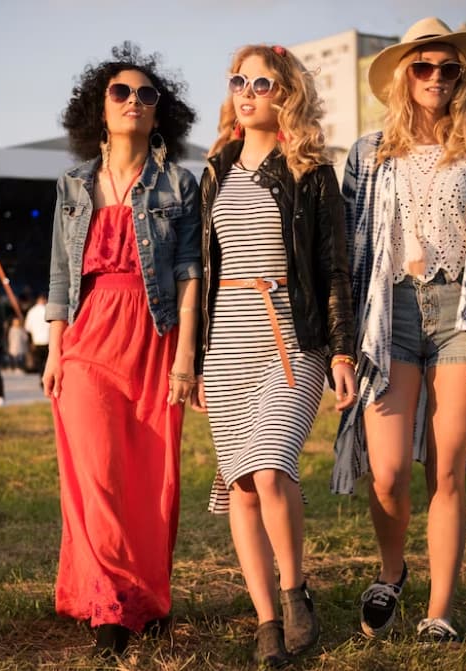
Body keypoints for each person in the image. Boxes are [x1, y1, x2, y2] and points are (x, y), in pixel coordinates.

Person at [332, 18, 466, 645]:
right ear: (404, 77)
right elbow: (348, 253)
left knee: (448, 465)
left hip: (459, 312)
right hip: (391, 314)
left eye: (447, 69)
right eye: (424, 67)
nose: (436, 77)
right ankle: (391, 572)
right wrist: (345, 341)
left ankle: (439, 610)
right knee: (386, 472)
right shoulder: (365, 154)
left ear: (460, 79)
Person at [193, 44, 356, 667]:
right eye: (238, 79)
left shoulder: (310, 171)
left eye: (261, 82)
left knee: (270, 466)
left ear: (284, 92)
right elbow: (202, 273)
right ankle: (265, 619)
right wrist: (197, 357)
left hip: (291, 335)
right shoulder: (217, 169)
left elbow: (333, 268)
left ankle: (295, 592)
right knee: (241, 485)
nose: (247, 90)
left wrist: (341, 353)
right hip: (228, 340)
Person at [42, 43, 201, 659]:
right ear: (98, 108)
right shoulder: (72, 185)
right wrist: (55, 352)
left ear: (160, 113)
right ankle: (110, 602)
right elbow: (61, 276)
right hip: (87, 339)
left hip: (155, 337)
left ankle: (144, 597)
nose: (134, 102)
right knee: (99, 473)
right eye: (121, 92)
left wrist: (185, 357)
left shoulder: (178, 184)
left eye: (146, 95)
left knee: (149, 476)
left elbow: (190, 276)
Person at [25, 294, 50, 374]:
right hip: (48, 340)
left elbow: (28, 327)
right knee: (47, 361)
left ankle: (42, 376)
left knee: (39, 361)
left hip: (36, 340)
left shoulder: (31, 311)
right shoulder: (49, 309)